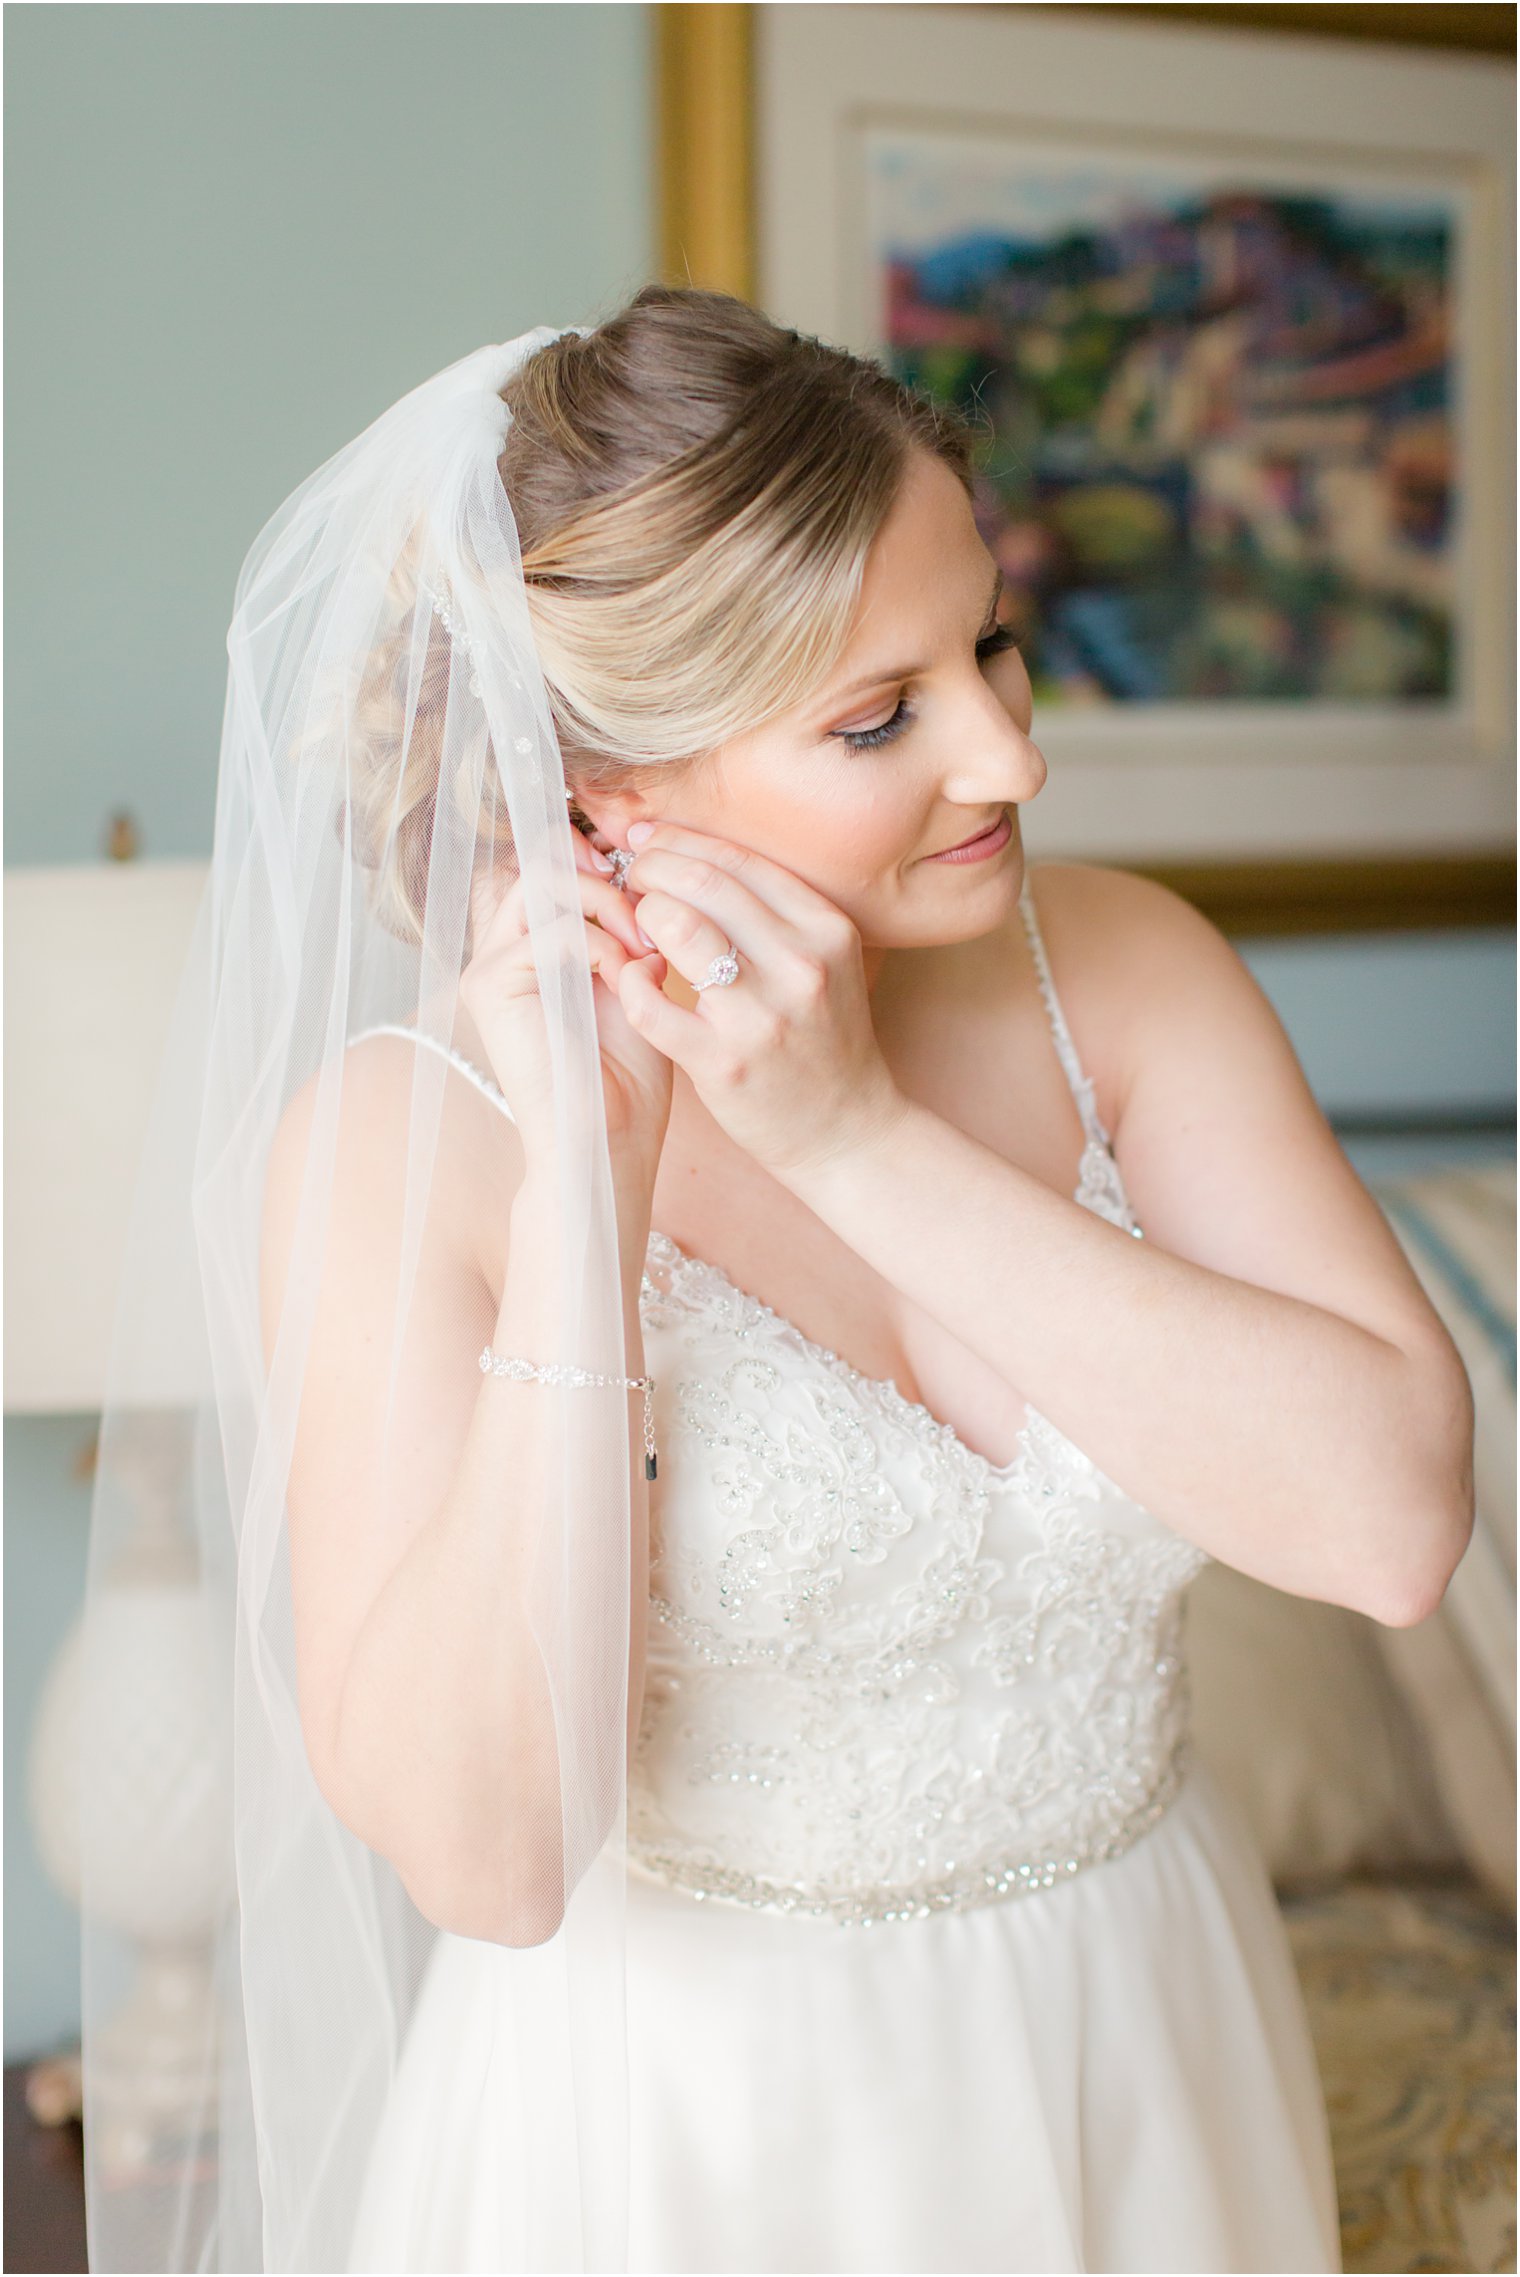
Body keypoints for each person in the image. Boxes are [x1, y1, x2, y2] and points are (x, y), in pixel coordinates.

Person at [81, 286, 1473, 2277]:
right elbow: (491, 1852)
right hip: (695, 2142)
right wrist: (586, 1184)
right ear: (606, 797)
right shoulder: (400, 1147)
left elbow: (1392, 1522)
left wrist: (853, 1143)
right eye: (877, 714)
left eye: (988, 642)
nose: (1009, 752)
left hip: (1150, 2041)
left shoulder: (1130, 971)